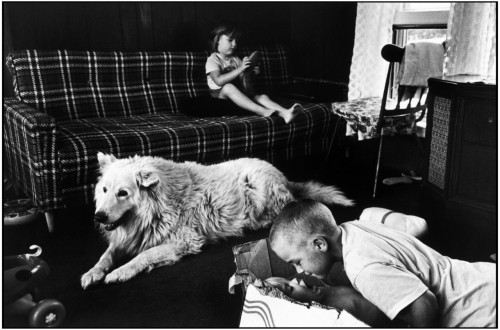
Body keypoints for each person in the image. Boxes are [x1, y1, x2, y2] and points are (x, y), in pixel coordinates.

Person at [268, 199, 497, 328]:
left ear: (319, 244)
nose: (298, 270)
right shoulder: (356, 226)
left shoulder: (362, 269)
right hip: (481, 277)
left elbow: (424, 303)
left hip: (478, 312)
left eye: (297, 261)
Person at [205, 22, 300, 123]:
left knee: (262, 97)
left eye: (236, 41)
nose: (234, 44)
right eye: (230, 40)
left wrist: (252, 73)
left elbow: (243, 79)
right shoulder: (213, 59)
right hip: (221, 101)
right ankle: (262, 111)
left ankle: (286, 113)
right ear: (217, 40)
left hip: (239, 100)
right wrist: (240, 69)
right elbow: (219, 81)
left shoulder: (235, 59)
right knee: (228, 87)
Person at [265, 277, 395, 327]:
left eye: (287, 280)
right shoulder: (332, 316)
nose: (295, 280)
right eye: (290, 288)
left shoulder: (320, 292)